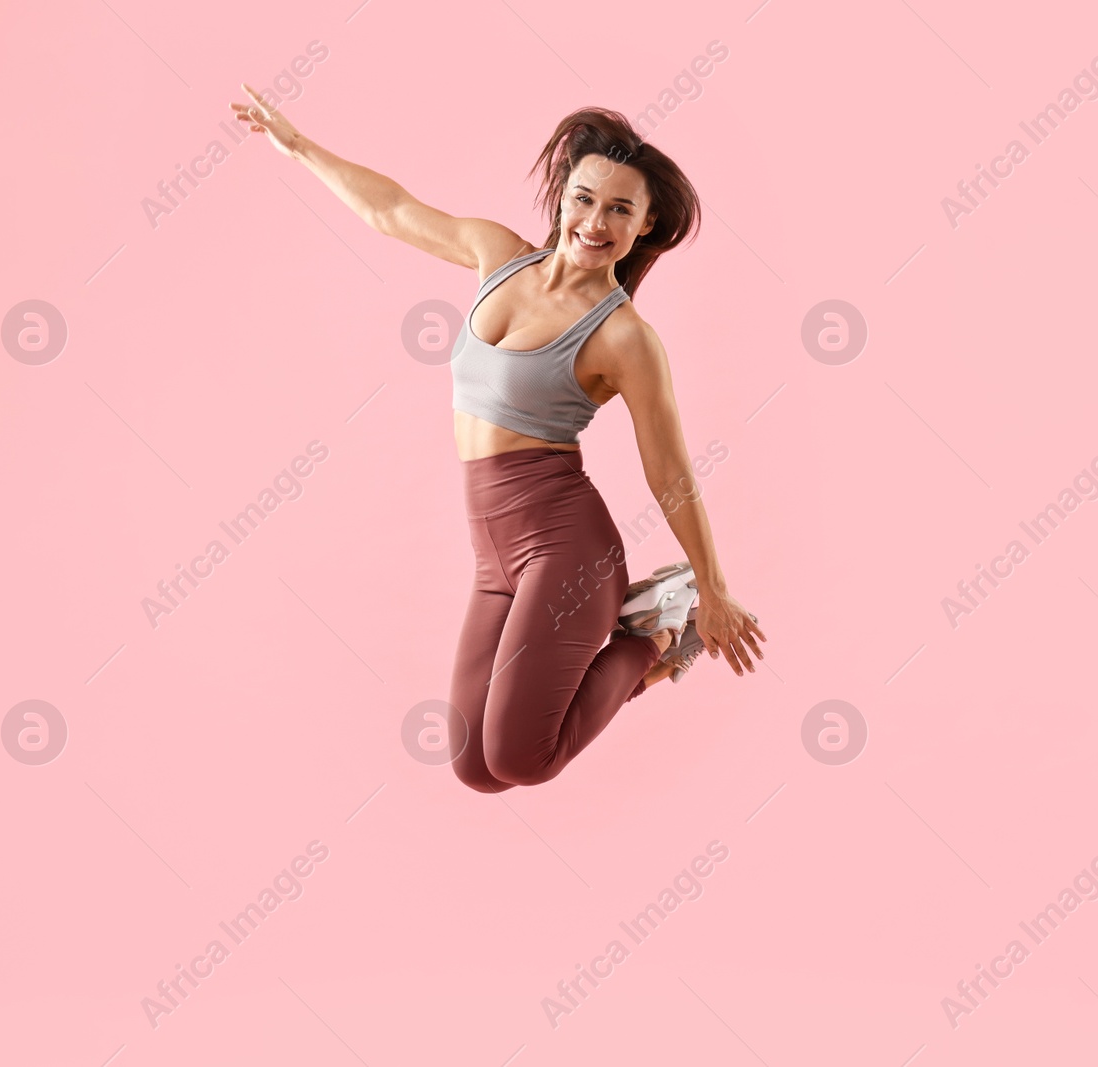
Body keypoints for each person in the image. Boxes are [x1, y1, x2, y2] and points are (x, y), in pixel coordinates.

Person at [229, 87, 765, 791]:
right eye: (583, 198)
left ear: (645, 225)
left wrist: (717, 588)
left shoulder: (625, 337)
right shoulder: (497, 255)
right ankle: (649, 628)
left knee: (519, 757)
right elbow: (392, 209)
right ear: (562, 198)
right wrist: (299, 146)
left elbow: (669, 469)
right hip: (493, 549)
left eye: (619, 210)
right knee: (474, 765)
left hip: (565, 546)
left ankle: (659, 630)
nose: (593, 221)